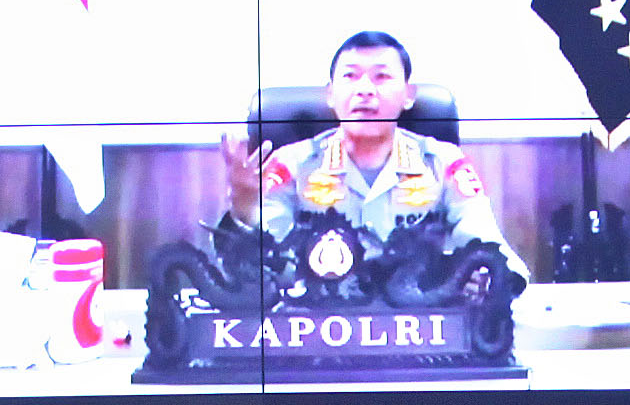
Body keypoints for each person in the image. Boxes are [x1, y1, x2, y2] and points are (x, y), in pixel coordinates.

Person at [218, 32, 527, 281]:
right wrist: (243, 210)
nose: (365, 90)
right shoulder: (291, 165)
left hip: (421, 329)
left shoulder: (444, 163)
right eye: (351, 76)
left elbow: (487, 243)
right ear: (330, 94)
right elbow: (263, 270)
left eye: (381, 77)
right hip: (315, 328)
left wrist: (489, 275)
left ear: (409, 95)